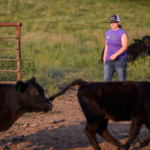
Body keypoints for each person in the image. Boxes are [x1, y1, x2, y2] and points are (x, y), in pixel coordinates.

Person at [103, 15, 128, 82]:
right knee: (105, 82)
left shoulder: (122, 33)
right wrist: (104, 57)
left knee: (121, 82)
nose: (112, 24)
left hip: (120, 60)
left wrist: (115, 55)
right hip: (108, 60)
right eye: (111, 22)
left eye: (114, 22)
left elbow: (125, 47)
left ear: (118, 23)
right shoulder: (107, 33)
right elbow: (106, 46)